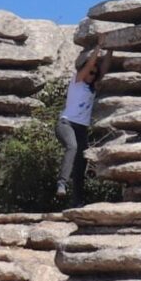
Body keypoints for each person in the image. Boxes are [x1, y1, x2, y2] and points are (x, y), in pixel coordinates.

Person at [55, 49, 106, 203]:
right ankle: (61, 183)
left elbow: (103, 69)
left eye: (94, 74)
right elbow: (90, 64)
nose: (91, 75)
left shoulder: (92, 89)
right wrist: (99, 47)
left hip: (81, 128)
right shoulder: (76, 82)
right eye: (89, 72)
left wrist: (111, 49)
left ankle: (77, 200)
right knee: (72, 147)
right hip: (66, 124)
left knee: (81, 162)